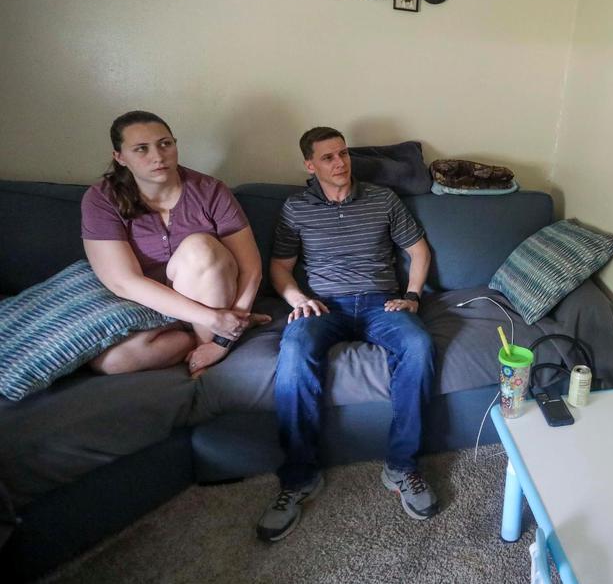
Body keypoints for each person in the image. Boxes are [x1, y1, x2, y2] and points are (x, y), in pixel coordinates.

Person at [257, 127, 437, 541]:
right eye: (328, 158)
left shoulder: (383, 199)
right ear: (310, 164)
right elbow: (280, 267)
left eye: (343, 154)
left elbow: (419, 251)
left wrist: (412, 296)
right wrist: (297, 299)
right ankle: (300, 476)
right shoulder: (296, 207)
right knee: (295, 347)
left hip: (380, 301)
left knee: (418, 343)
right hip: (325, 305)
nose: (339, 163)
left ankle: (402, 466)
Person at [81, 111, 269, 376]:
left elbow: (251, 268)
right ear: (120, 158)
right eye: (141, 149)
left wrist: (223, 340)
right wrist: (217, 320)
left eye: (165, 143)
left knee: (200, 248)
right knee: (111, 362)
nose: (158, 156)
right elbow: (122, 281)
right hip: (155, 307)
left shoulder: (210, 190)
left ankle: (207, 356)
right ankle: (212, 331)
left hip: (211, 295)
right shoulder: (101, 199)